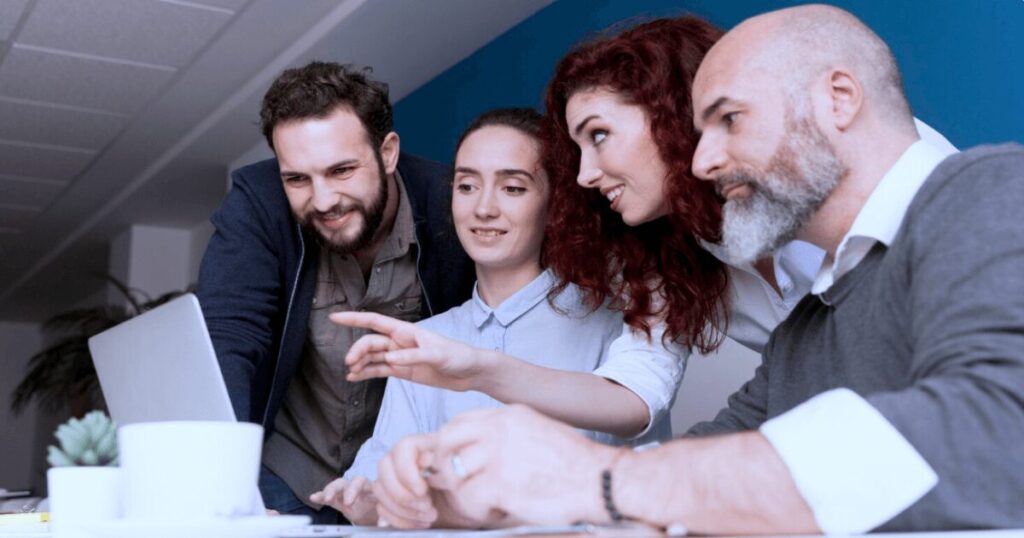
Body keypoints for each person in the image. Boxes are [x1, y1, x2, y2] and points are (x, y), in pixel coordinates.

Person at [356, 5, 1024, 534]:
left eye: (728, 120)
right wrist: (522, 498)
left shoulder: (983, 191)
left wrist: (595, 481)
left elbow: (994, 434)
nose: (704, 160)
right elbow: (716, 442)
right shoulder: (806, 334)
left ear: (839, 99)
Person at [310, 108, 649, 526]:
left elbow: (637, 492)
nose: (484, 208)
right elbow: (381, 484)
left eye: (512, 188)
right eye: (467, 186)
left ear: (555, 202)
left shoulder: (614, 329)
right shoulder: (424, 340)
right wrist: (366, 503)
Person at [195, 61, 474, 522]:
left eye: (342, 170)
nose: (322, 201)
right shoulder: (258, 203)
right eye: (297, 179)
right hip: (285, 477)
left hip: (400, 487)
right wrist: (223, 487)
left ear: (387, 152)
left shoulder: (449, 206)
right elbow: (226, 338)